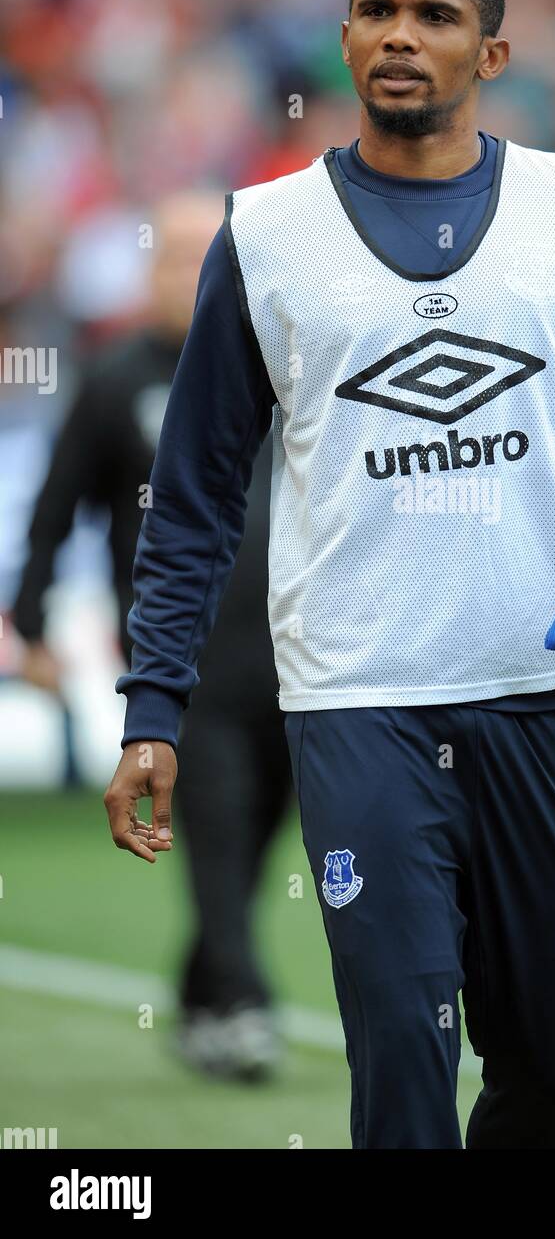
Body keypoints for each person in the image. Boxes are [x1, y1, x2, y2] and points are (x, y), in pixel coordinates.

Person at [105, 0, 555, 1148]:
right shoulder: (264, 236)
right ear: (344, 37)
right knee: (401, 1056)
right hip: (358, 706)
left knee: (551, 1067)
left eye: (436, 15)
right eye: (379, 12)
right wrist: (150, 712)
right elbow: (189, 500)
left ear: (490, 53)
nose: (402, 35)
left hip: (541, 693)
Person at [15, 192, 292, 1080]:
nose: (191, 275)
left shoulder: (280, 367)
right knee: (213, 827)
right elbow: (55, 513)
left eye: (204, 257)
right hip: (180, 662)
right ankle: (246, 1006)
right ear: (148, 272)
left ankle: (202, 994)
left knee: (258, 836)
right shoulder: (117, 380)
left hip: (294, 654)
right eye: (173, 259)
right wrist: (30, 623)